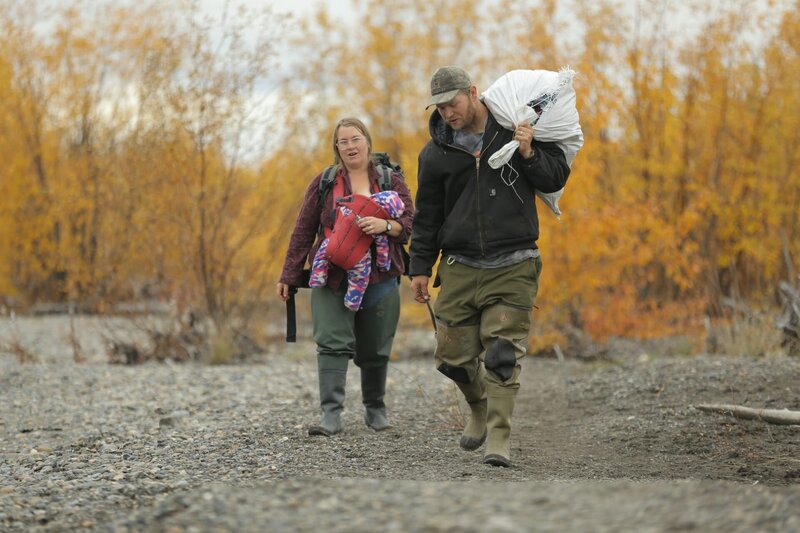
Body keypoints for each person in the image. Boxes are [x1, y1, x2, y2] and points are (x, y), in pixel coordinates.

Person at [409, 66, 571, 467]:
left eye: (454, 102)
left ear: (473, 92)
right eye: (441, 106)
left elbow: (555, 179)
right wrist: (419, 268)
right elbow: (427, 217)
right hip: (460, 264)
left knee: (501, 353)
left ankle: (499, 437)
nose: (448, 112)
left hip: (514, 261)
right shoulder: (434, 154)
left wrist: (530, 152)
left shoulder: (514, 127)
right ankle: (478, 406)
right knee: (452, 357)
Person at [277, 117, 413, 437]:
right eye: (343, 142)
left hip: (380, 276)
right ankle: (331, 414)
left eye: (355, 139)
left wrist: (386, 226)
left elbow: (411, 224)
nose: (350, 146)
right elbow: (303, 230)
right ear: (336, 148)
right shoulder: (324, 182)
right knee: (331, 342)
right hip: (332, 275)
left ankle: (375, 408)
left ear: (367, 141)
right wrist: (289, 274)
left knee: (376, 346)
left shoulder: (390, 181)